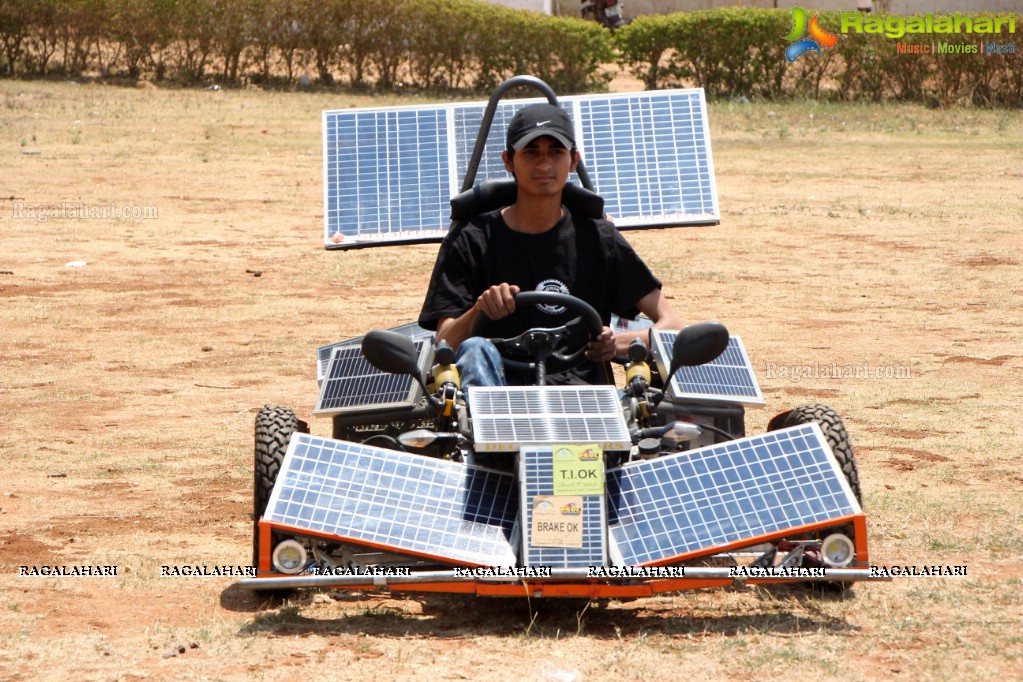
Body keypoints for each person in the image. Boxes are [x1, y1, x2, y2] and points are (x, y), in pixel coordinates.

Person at [418, 102, 682, 387]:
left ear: (573, 160)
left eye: (555, 152)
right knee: (475, 348)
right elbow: (444, 343)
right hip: (494, 403)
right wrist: (479, 309)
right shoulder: (470, 239)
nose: (543, 164)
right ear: (508, 161)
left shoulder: (599, 238)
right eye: (531, 153)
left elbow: (673, 325)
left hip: (582, 401)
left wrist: (618, 343)